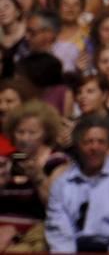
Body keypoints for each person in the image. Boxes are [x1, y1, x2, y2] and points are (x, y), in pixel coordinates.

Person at [43, 114, 109, 255]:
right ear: (78, 144)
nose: (94, 147)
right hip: (75, 247)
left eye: (101, 142)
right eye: (88, 142)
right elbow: (59, 230)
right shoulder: (63, 183)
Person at [0, 103, 70, 251]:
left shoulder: (56, 161)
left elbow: (59, 207)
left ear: (46, 134)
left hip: (34, 235)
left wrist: (38, 178)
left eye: (32, 133)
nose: (25, 138)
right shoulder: (5, 162)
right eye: (20, 132)